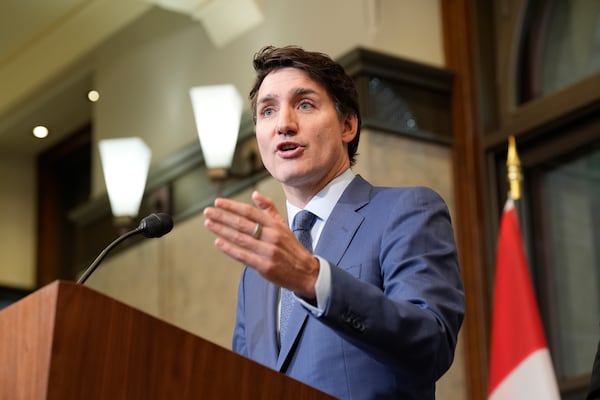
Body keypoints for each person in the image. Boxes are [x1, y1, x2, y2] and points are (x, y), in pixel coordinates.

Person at [203, 45, 465, 400]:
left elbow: (431, 344)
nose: (283, 124)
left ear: (347, 124)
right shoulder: (258, 271)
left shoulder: (406, 210)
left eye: (305, 104)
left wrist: (313, 279)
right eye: (268, 111)